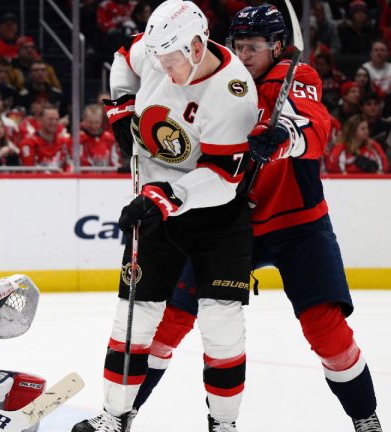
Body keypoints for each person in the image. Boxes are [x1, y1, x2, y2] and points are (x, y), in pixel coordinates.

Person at [131, 5, 385, 432]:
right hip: (228, 224)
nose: (244, 55)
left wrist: (286, 137)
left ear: (278, 47)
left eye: (253, 47)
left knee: (326, 330)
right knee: (170, 323)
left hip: (296, 223)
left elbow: (316, 128)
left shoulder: (297, 78)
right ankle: (127, 410)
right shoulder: (215, 80)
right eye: (238, 46)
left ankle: (366, 417)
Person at [72, 1, 258, 431]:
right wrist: (120, 104)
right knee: (133, 314)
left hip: (218, 218)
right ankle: (113, 417)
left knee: (221, 323)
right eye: (157, 58)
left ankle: (224, 424)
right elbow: (124, 57)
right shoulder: (160, 51)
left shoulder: (234, 92)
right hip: (158, 208)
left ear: (197, 47)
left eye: (170, 60)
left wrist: (165, 195)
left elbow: (223, 178)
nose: (161, 68)